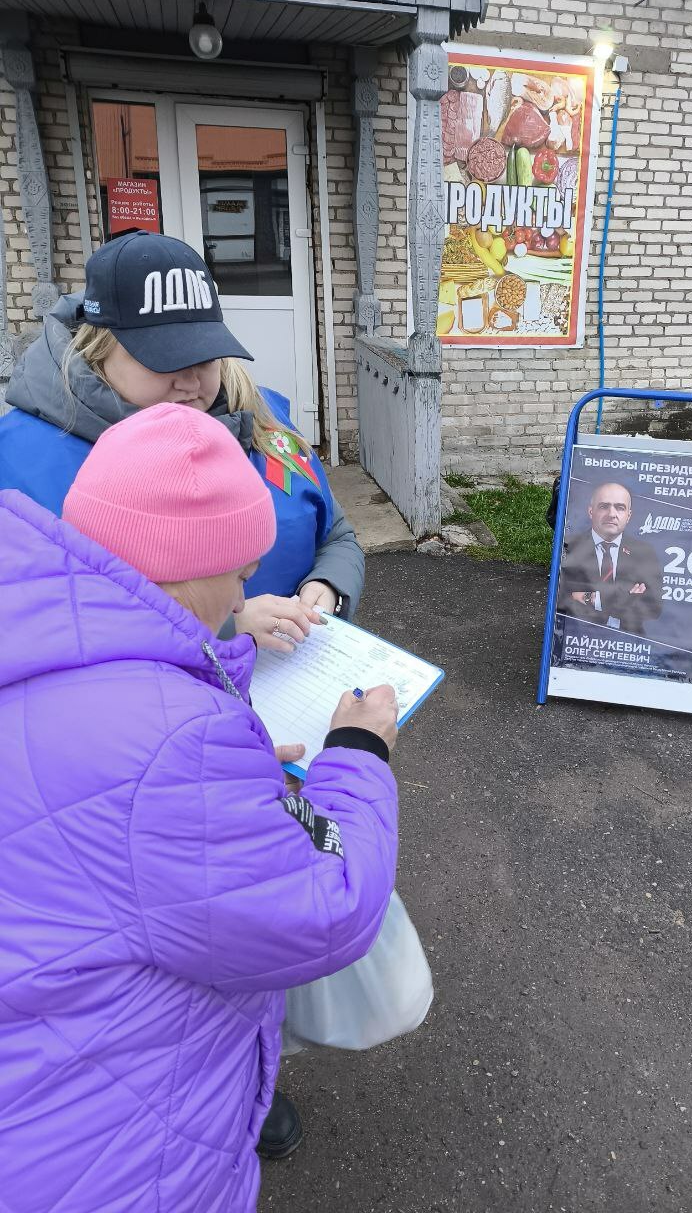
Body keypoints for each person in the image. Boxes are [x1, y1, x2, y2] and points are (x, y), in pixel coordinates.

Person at [0, 403, 399, 1213]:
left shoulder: (38, 629)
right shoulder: (171, 750)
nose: (248, 588)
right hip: (112, 1154)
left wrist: (234, 764)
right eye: (242, 569)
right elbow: (327, 905)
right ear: (190, 565)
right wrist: (358, 754)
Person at [0, 229, 363, 654]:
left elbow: (335, 533)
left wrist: (330, 585)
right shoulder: (18, 461)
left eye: (204, 356)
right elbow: (30, 628)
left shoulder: (267, 417)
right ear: (98, 349)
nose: (191, 382)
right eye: (163, 358)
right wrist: (221, 627)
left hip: (295, 687)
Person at [557, 480, 663, 634]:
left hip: (628, 641)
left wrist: (592, 598)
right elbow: (561, 599)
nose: (612, 514)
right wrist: (626, 597)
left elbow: (654, 607)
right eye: (604, 506)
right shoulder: (570, 546)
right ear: (591, 511)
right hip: (577, 638)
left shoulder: (644, 552)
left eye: (620, 508)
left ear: (628, 515)